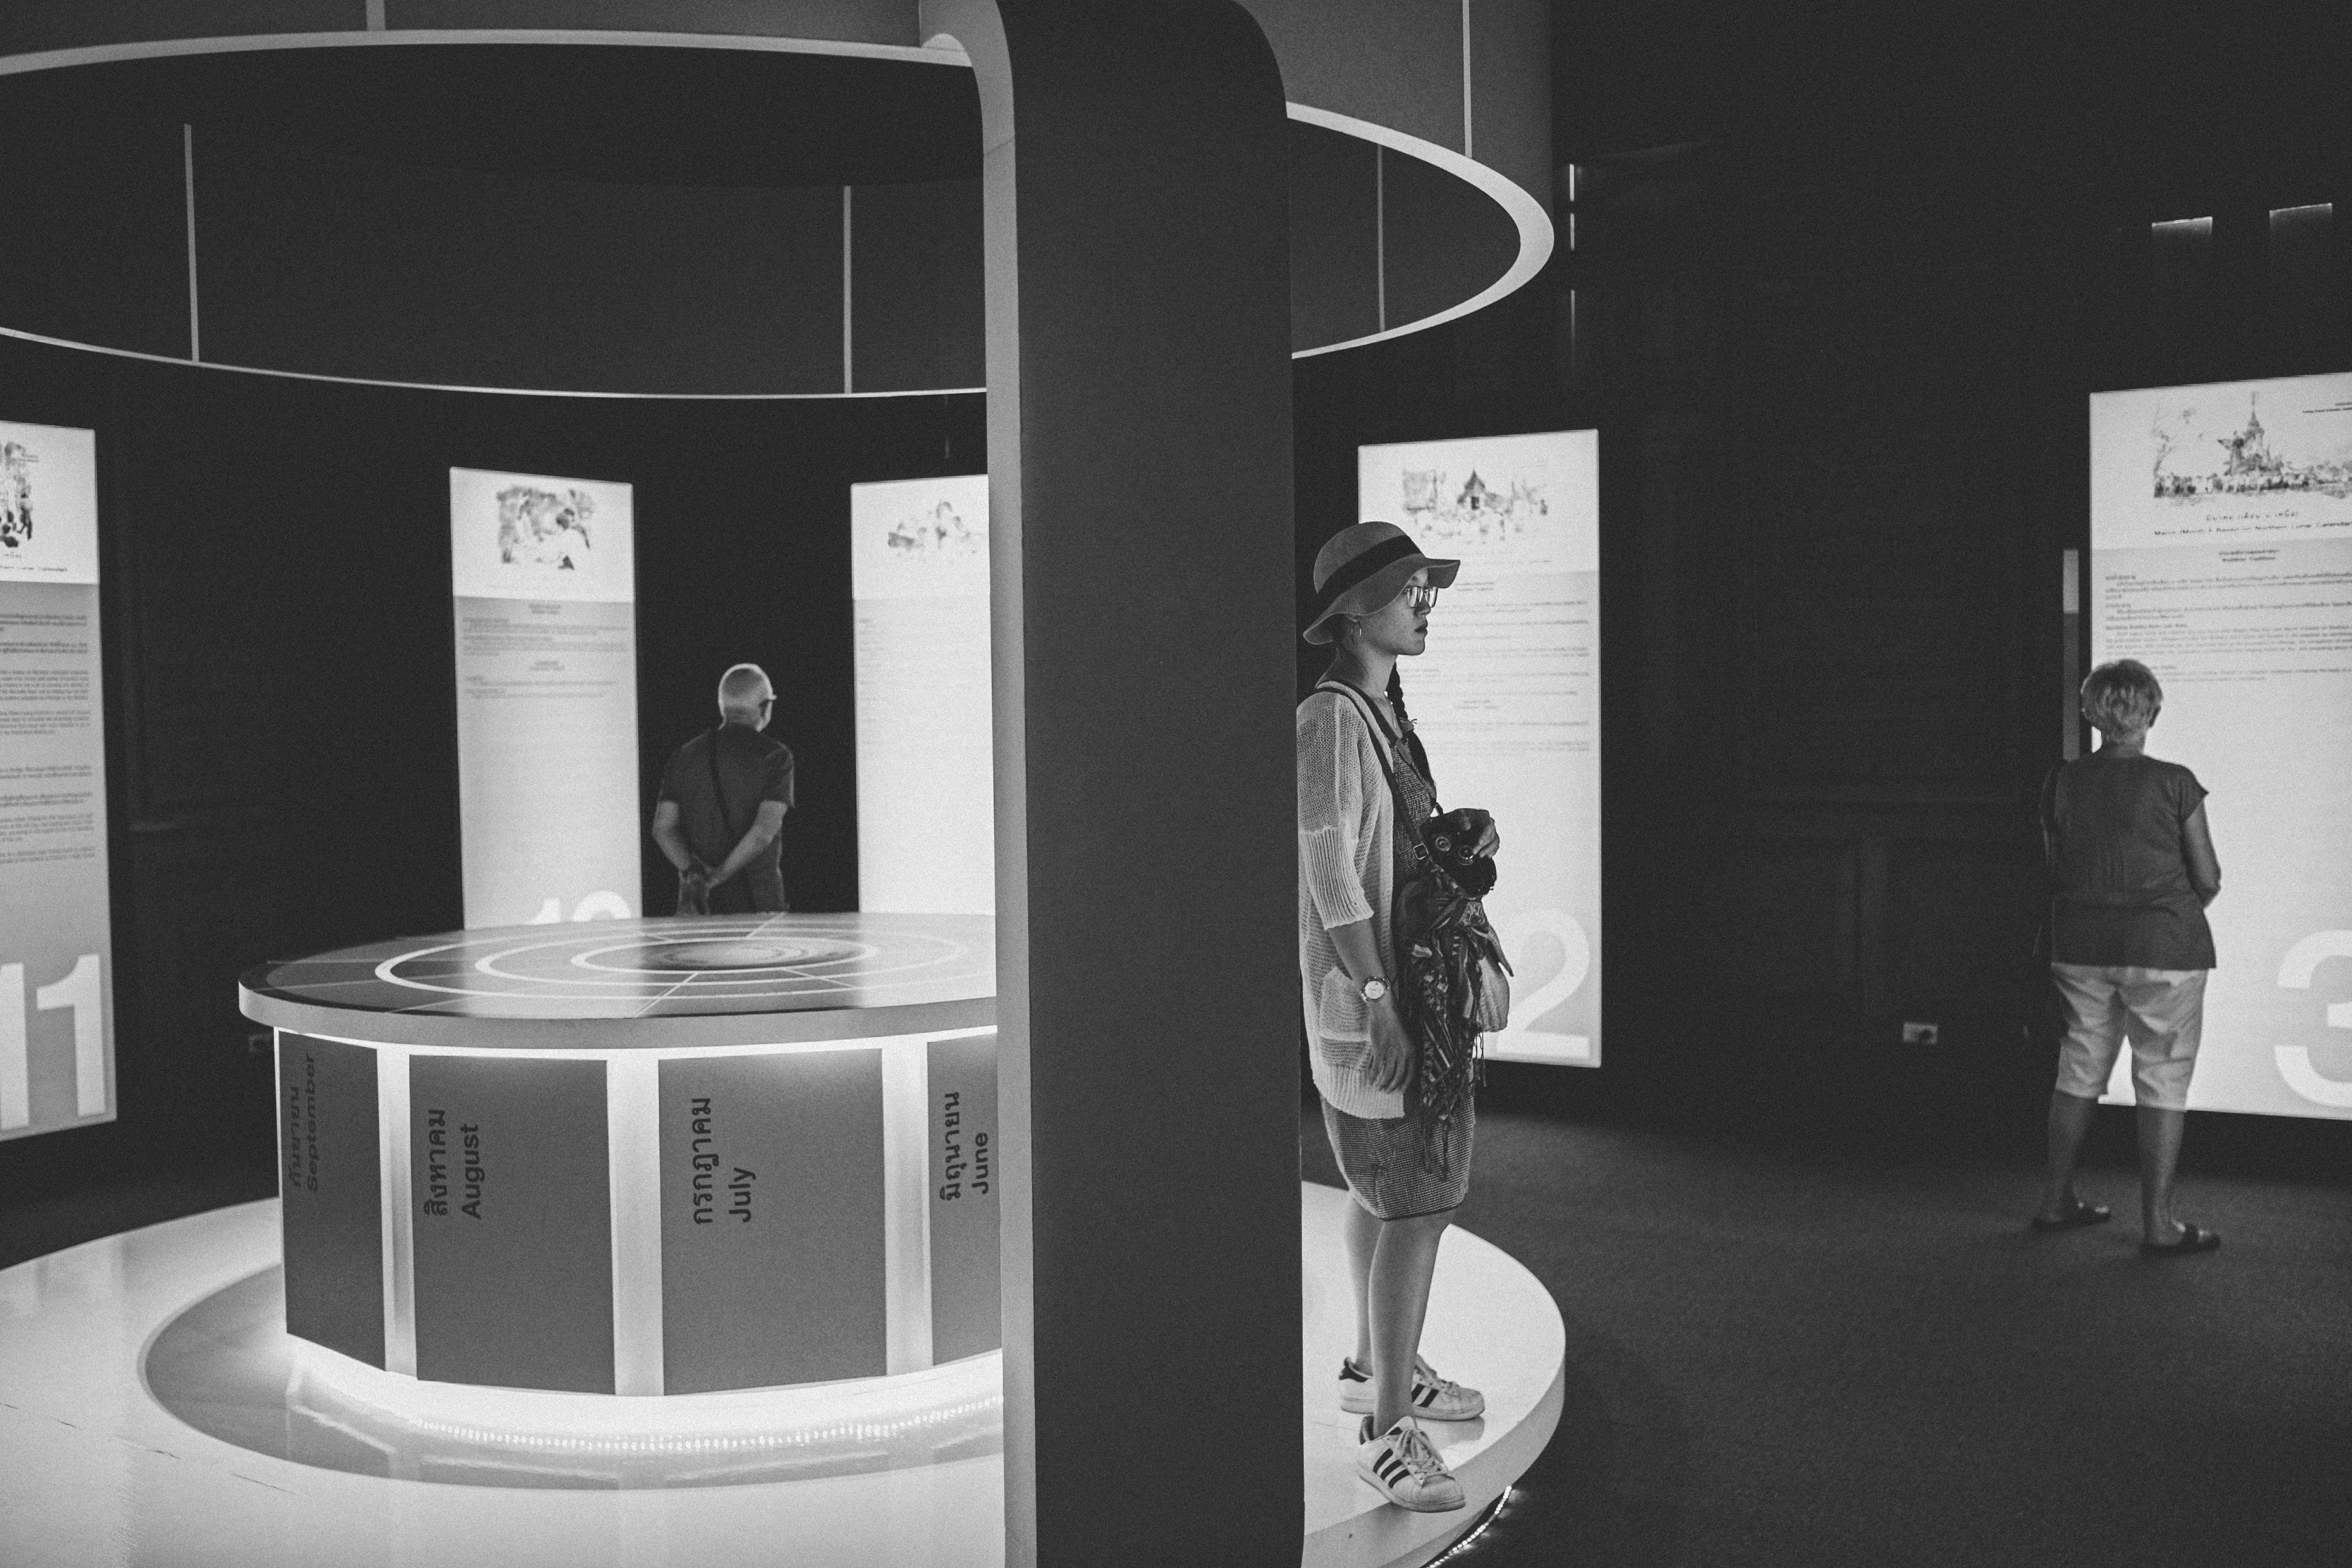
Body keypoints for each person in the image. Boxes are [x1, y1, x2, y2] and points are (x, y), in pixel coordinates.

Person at [1297, 520, 1501, 1514]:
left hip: (1395, 994)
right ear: (1352, 612)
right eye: (1409, 589)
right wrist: (1377, 998)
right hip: (1370, 1003)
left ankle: (1377, 1362)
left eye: (1428, 589)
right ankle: (1386, 1429)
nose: (1424, 604)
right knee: (1417, 1200)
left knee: (1382, 1192)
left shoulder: (1377, 710)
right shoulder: (1330, 718)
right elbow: (1327, 868)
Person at [2032, 658, 2222, 1257]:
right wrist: (2171, 912)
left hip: (2080, 944)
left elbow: (2055, 869)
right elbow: (2208, 876)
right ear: (2154, 713)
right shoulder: (2176, 781)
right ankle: (2159, 1225)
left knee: (2077, 1072)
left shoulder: (2061, 780)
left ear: (2091, 713)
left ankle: (2055, 1202)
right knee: (2162, 1077)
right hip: (2165, 946)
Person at [652, 663, 795, 914]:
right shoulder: (775, 757)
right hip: (758, 905)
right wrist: (719, 876)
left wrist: (695, 873)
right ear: (764, 707)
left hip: (701, 907)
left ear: (722, 706)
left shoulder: (684, 756)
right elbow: (763, 832)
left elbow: (663, 829)